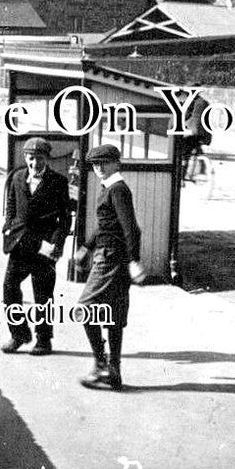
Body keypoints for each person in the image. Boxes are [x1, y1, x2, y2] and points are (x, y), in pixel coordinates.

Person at [75, 144, 142, 390]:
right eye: (95, 164)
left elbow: (131, 228)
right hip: (111, 256)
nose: (99, 167)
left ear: (117, 163)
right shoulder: (111, 188)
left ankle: (102, 365)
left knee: (84, 308)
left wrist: (134, 260)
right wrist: (87, 247)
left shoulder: (118, 190)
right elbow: (106, 225)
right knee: (113, 316)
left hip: (111, 259)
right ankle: (114, 371)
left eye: (104, 162)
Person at [0, 137, 72, 356]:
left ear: (46, 158)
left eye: (39, 158)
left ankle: (44, 340)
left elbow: (65, 217)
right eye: (31, 158)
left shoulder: (58, 181)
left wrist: (57, 243)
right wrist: (9, 226)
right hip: (20, 244)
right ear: (25, 157)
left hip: (44, 246)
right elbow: (11, 206)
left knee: (43, 294)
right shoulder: (17, 177)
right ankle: (19, 334)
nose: (35, 163)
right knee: (9, 287)